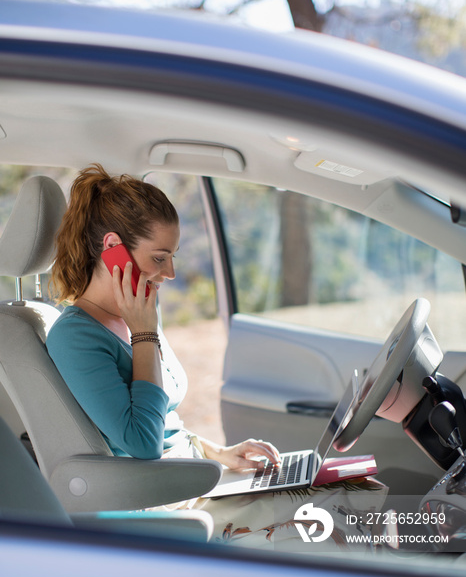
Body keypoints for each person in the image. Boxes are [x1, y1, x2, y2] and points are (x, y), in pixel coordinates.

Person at [47, 164, 386, 550]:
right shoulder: (76, 338)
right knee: (349, 510)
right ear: (113, 250)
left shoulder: (141, 313)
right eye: (160, 258)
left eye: (172, 256)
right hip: (165, 502)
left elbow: (165, 422)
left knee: (356, 486)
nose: (170, 273)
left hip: (194, 477)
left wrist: (220, 453)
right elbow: (142, 442)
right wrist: (143, 334)